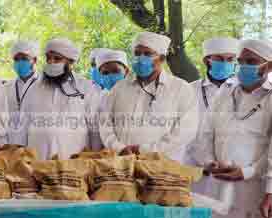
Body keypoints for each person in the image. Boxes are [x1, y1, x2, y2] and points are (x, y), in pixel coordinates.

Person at [190, 39, 272, 218]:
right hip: (217, 185)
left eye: (251, 62)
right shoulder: (225, 92)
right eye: (241, 61)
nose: (243, 66)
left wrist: (247, 172)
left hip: (253, 188)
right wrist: (209, 161)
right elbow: (206, 133)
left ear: (269, 66)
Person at [100, 32, 198, 162]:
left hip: (162, 166)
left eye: (147, 54)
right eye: (137, 53)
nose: (140, 58)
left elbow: (186, 131)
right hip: (122, 164)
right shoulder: (119, 88)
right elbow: (104, 122)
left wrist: (145, 150)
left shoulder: (181, 89)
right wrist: (119, 148)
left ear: (162, 58)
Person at [20, 38, 101, 160]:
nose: (51, 62)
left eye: (57, 59)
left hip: (73, 162)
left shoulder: (86, 87)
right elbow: (23, 124)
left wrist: (94, 157)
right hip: (38, 160)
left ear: (70, 62)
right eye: (48, 58)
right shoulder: (33, 88)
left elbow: (94, 129)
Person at [186, 37, 239, 198]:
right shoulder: (190, 90)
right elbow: (184, 132)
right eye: (220, 59)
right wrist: (206, 160)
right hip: (196, 168)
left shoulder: (242, 90)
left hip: (233, 169)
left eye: (230, 59)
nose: (225, 63)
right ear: (207, 60)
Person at [0, 40, 40, 147]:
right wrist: (3, 145)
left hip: (36, 148)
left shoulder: (44, 85)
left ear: (34, 60)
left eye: (24, 59)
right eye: (16, 59)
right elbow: (0, 120)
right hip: (10, 147)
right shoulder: (6, 87)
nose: (20, 62)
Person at [92, 49, 131, 150]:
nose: (110, 76)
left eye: (115, 71)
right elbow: (103, 132)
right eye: (105, 73)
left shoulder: (139, 94)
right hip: (111, 153)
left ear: (126, 71)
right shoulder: (101, 99)